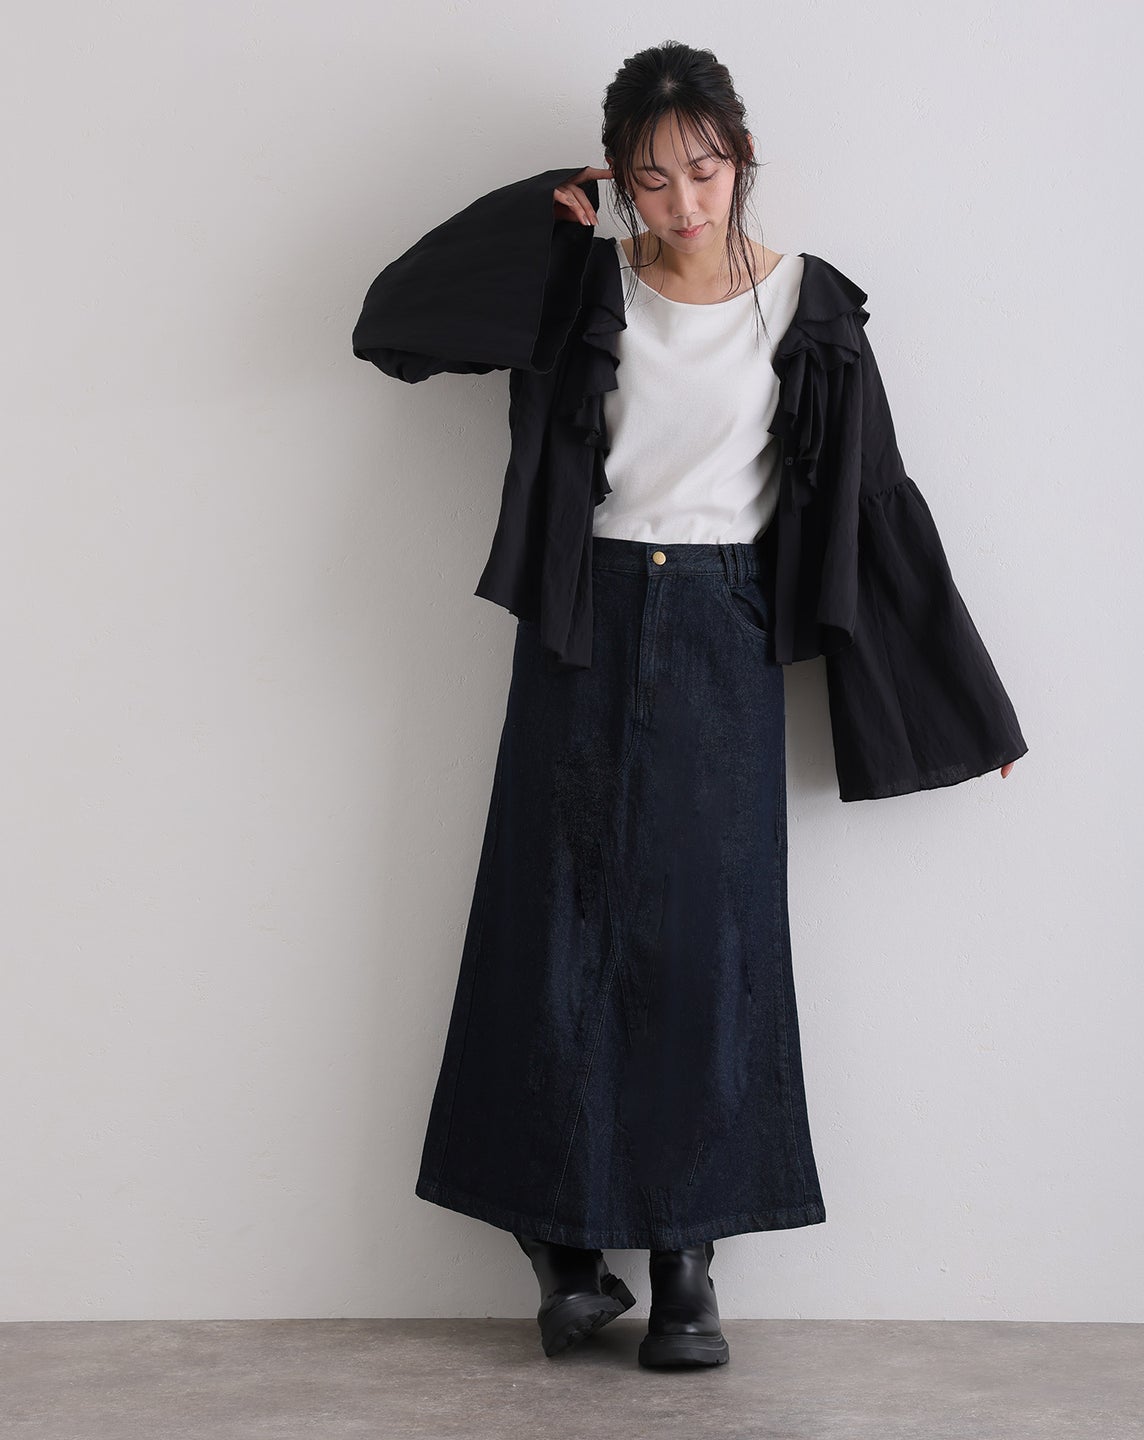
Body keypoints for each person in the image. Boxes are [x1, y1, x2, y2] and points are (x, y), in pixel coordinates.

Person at [352, 41, 1027, 1371]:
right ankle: (560, 1253)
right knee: (548, 927)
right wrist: (536, 210)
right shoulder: (576, 281)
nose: (682, 202)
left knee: (708, 948)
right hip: (583, 617)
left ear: (742, 160)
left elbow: (877, 503)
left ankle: (686, 1264)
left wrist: (964, 705)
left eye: (704, 171)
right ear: (621, 178)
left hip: (727, 625)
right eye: (651, 179)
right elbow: (397, 326)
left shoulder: (807, 308)